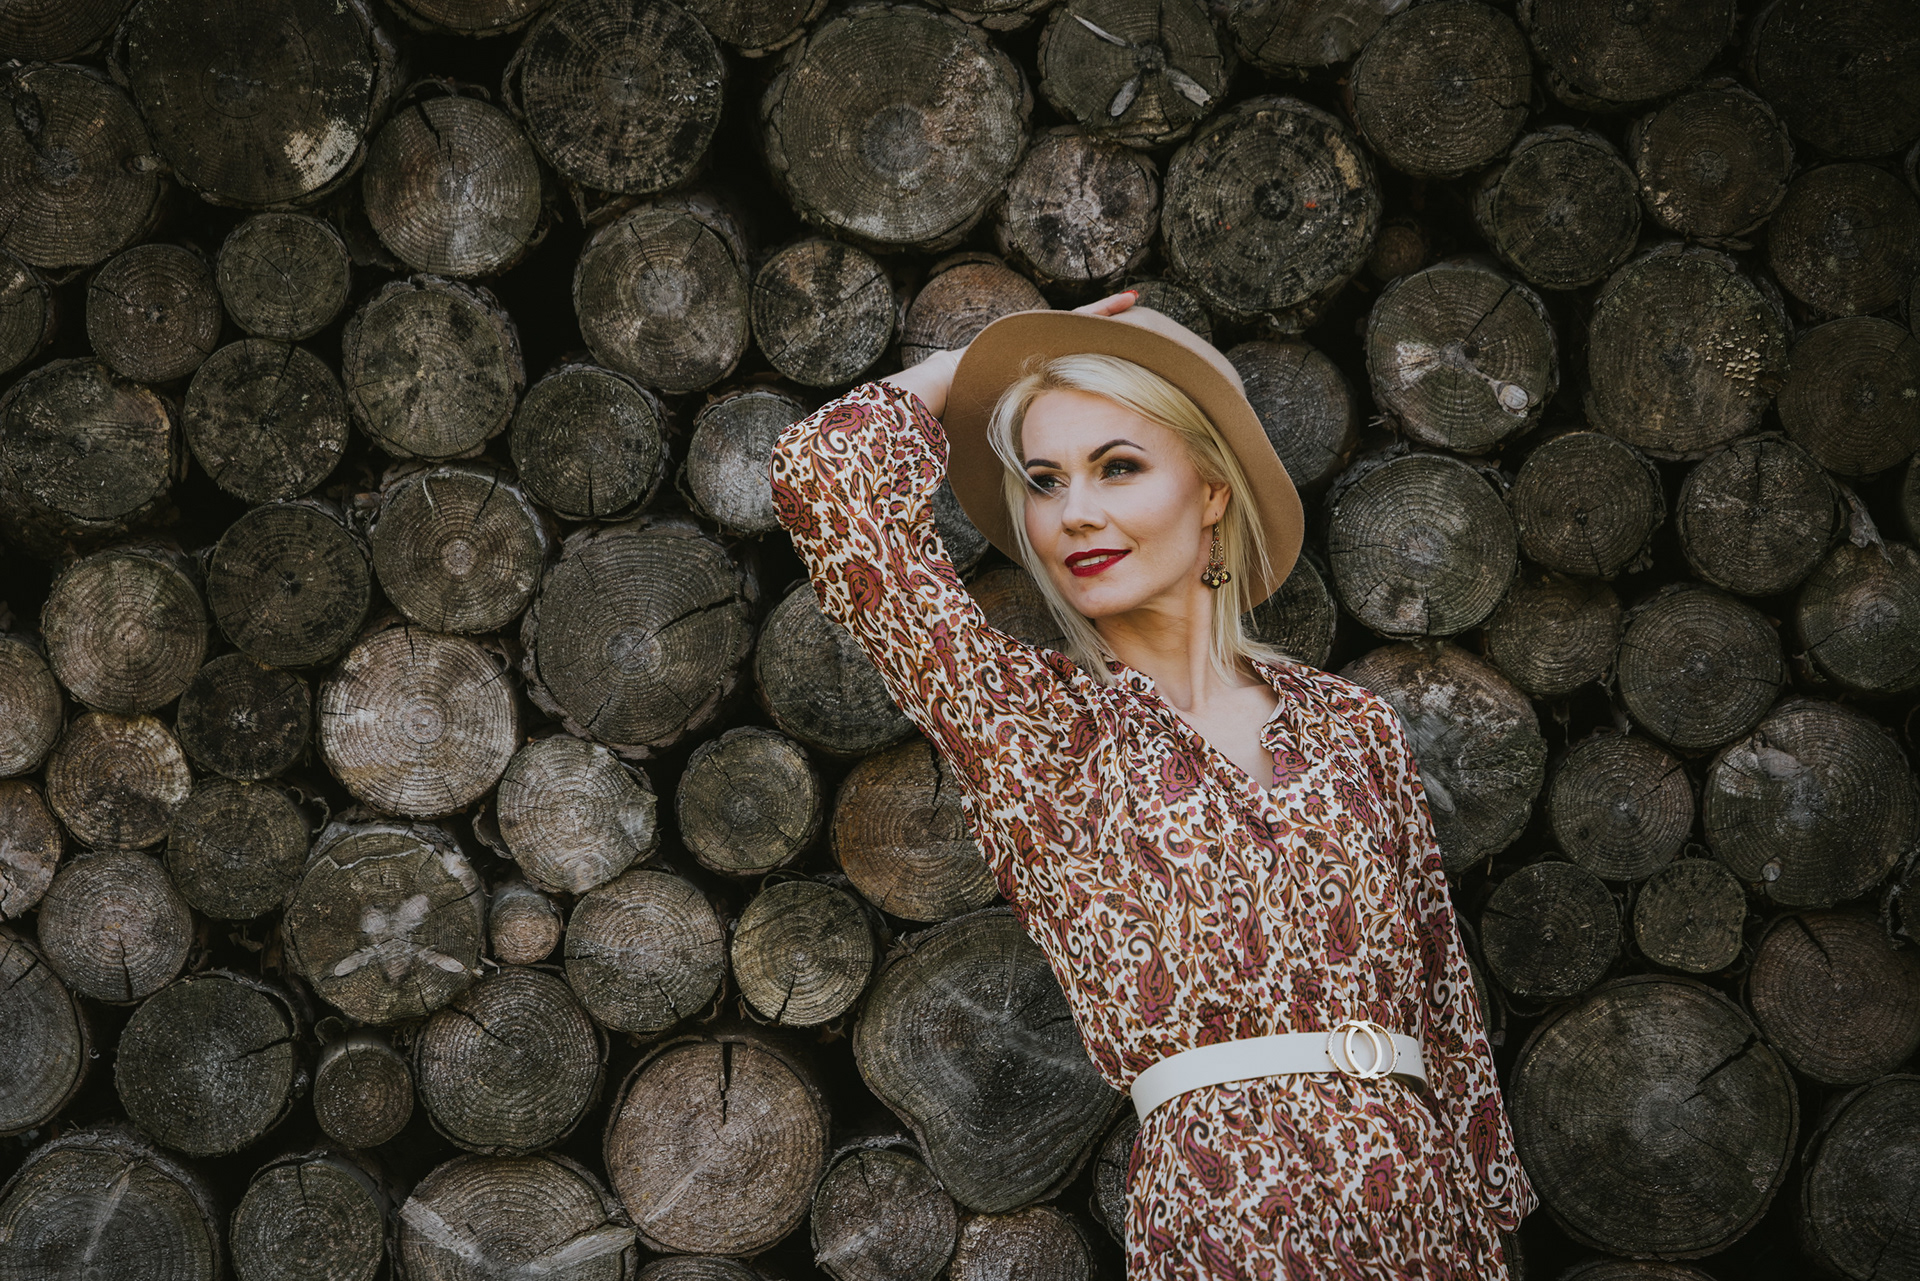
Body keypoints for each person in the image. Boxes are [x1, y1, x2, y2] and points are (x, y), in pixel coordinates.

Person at [769, 289, 1536, 1279]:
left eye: (1118, 467)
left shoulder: (1354, 730)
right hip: (1229, 1224)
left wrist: (1486, 1232)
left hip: (1423, 1221)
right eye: (1044, 482)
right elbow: (820, 475)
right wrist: (976, 363)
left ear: (1212, 489)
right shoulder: (1034, 731)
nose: (1075, 512)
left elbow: (1446, 1014)